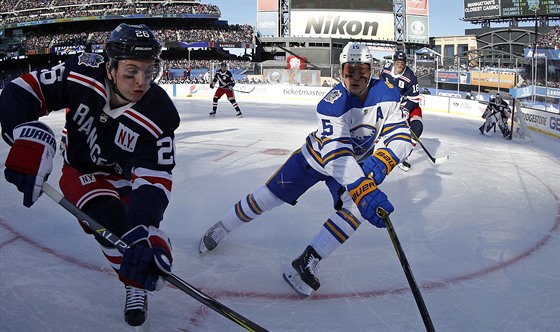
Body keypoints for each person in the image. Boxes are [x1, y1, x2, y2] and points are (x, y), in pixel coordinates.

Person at [198, 42, 412, 297]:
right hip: (316, 160)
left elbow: (401, 134)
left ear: (371, 70)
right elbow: (336, 155)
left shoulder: (388, 94)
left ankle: (308, 260)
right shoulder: (332, 104)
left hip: (352, 164)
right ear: (341, 71)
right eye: (349, 71)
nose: (355, 77)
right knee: (266, 199)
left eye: (361, 70)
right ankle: (223, 226)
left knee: (355, 208)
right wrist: (362, 186)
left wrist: (384, 160)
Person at [0, 23, 179, 327]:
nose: (141, 82)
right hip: (81, 169)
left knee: (132, 235)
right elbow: (21, 90)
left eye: (150, 72)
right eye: (131, 71)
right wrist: (23, 135)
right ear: (110, 67)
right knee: (108, 224)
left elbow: (154, 177)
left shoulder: (159, 112)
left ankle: (134, 266)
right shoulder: (81, 72)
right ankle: (133, 286)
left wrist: (146, 229)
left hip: (125, 175)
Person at [379, 50, 422, 171]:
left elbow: (415, 98)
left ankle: (403, 156)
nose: (400, 65)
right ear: (393, 62)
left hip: (407, 104)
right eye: (398, 62)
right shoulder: (386, 70)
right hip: (390, 104)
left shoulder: (410, 76)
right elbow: (379, 86)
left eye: (402, 63)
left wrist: (406, 110)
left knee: (417, 127)